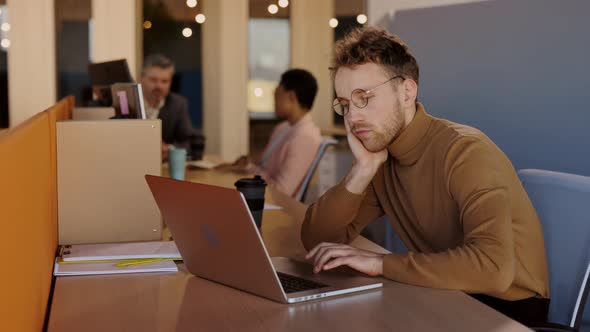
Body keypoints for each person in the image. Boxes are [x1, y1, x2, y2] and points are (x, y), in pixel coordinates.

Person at [301, 27, 550, 326]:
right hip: (448, 293)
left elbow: (493, 269)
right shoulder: (382, 155)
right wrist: (362, 170)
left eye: (364, 97)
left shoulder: (466, 152)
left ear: (407, 92)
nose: (353, 117)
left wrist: (380, 262)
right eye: (345, 104)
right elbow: (317, 240)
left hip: (508, 311)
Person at [219, 69, 322, 197]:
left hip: (277, 206)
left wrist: (251, 167)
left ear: (292, 97)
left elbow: (282, 191)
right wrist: (249, 164)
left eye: (277, 95)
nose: (274, 101)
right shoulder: (283, 127)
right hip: (262, 194)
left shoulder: (306, 137)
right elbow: (266, 168)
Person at [140, 54, 197, 160]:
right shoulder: (128, 101)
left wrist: (169, 149)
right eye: (153, 80)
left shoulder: (178, 104)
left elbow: (189, 143)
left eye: (164, 81)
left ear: (170, 82)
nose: (159, 86)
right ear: (141, 78)